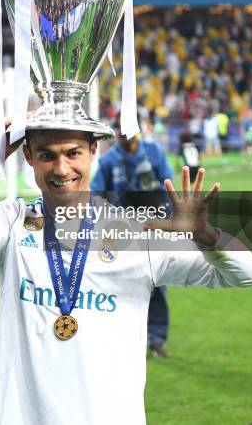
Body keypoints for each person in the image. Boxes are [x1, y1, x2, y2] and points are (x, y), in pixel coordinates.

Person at [0, 121, 252, 425]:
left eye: (73, 153)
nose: (62, 169)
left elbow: (248, 273)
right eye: (47, 155)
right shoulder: (14, 222)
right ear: (29, 156)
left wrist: (207, 236)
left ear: (93, 152)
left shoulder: (135, 233)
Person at [91, 123, 173, 357]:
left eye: (129, 129)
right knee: (117, 283)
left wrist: (166, 217)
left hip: (153, 228)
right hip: (121, 231)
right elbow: (97, 194)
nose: (124, 135)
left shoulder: (154, 151)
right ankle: (118, 336)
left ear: (137, 130)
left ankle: (156, 339)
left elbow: (168, 186)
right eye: (121, 130)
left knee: (157, 284)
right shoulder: (109, 160)